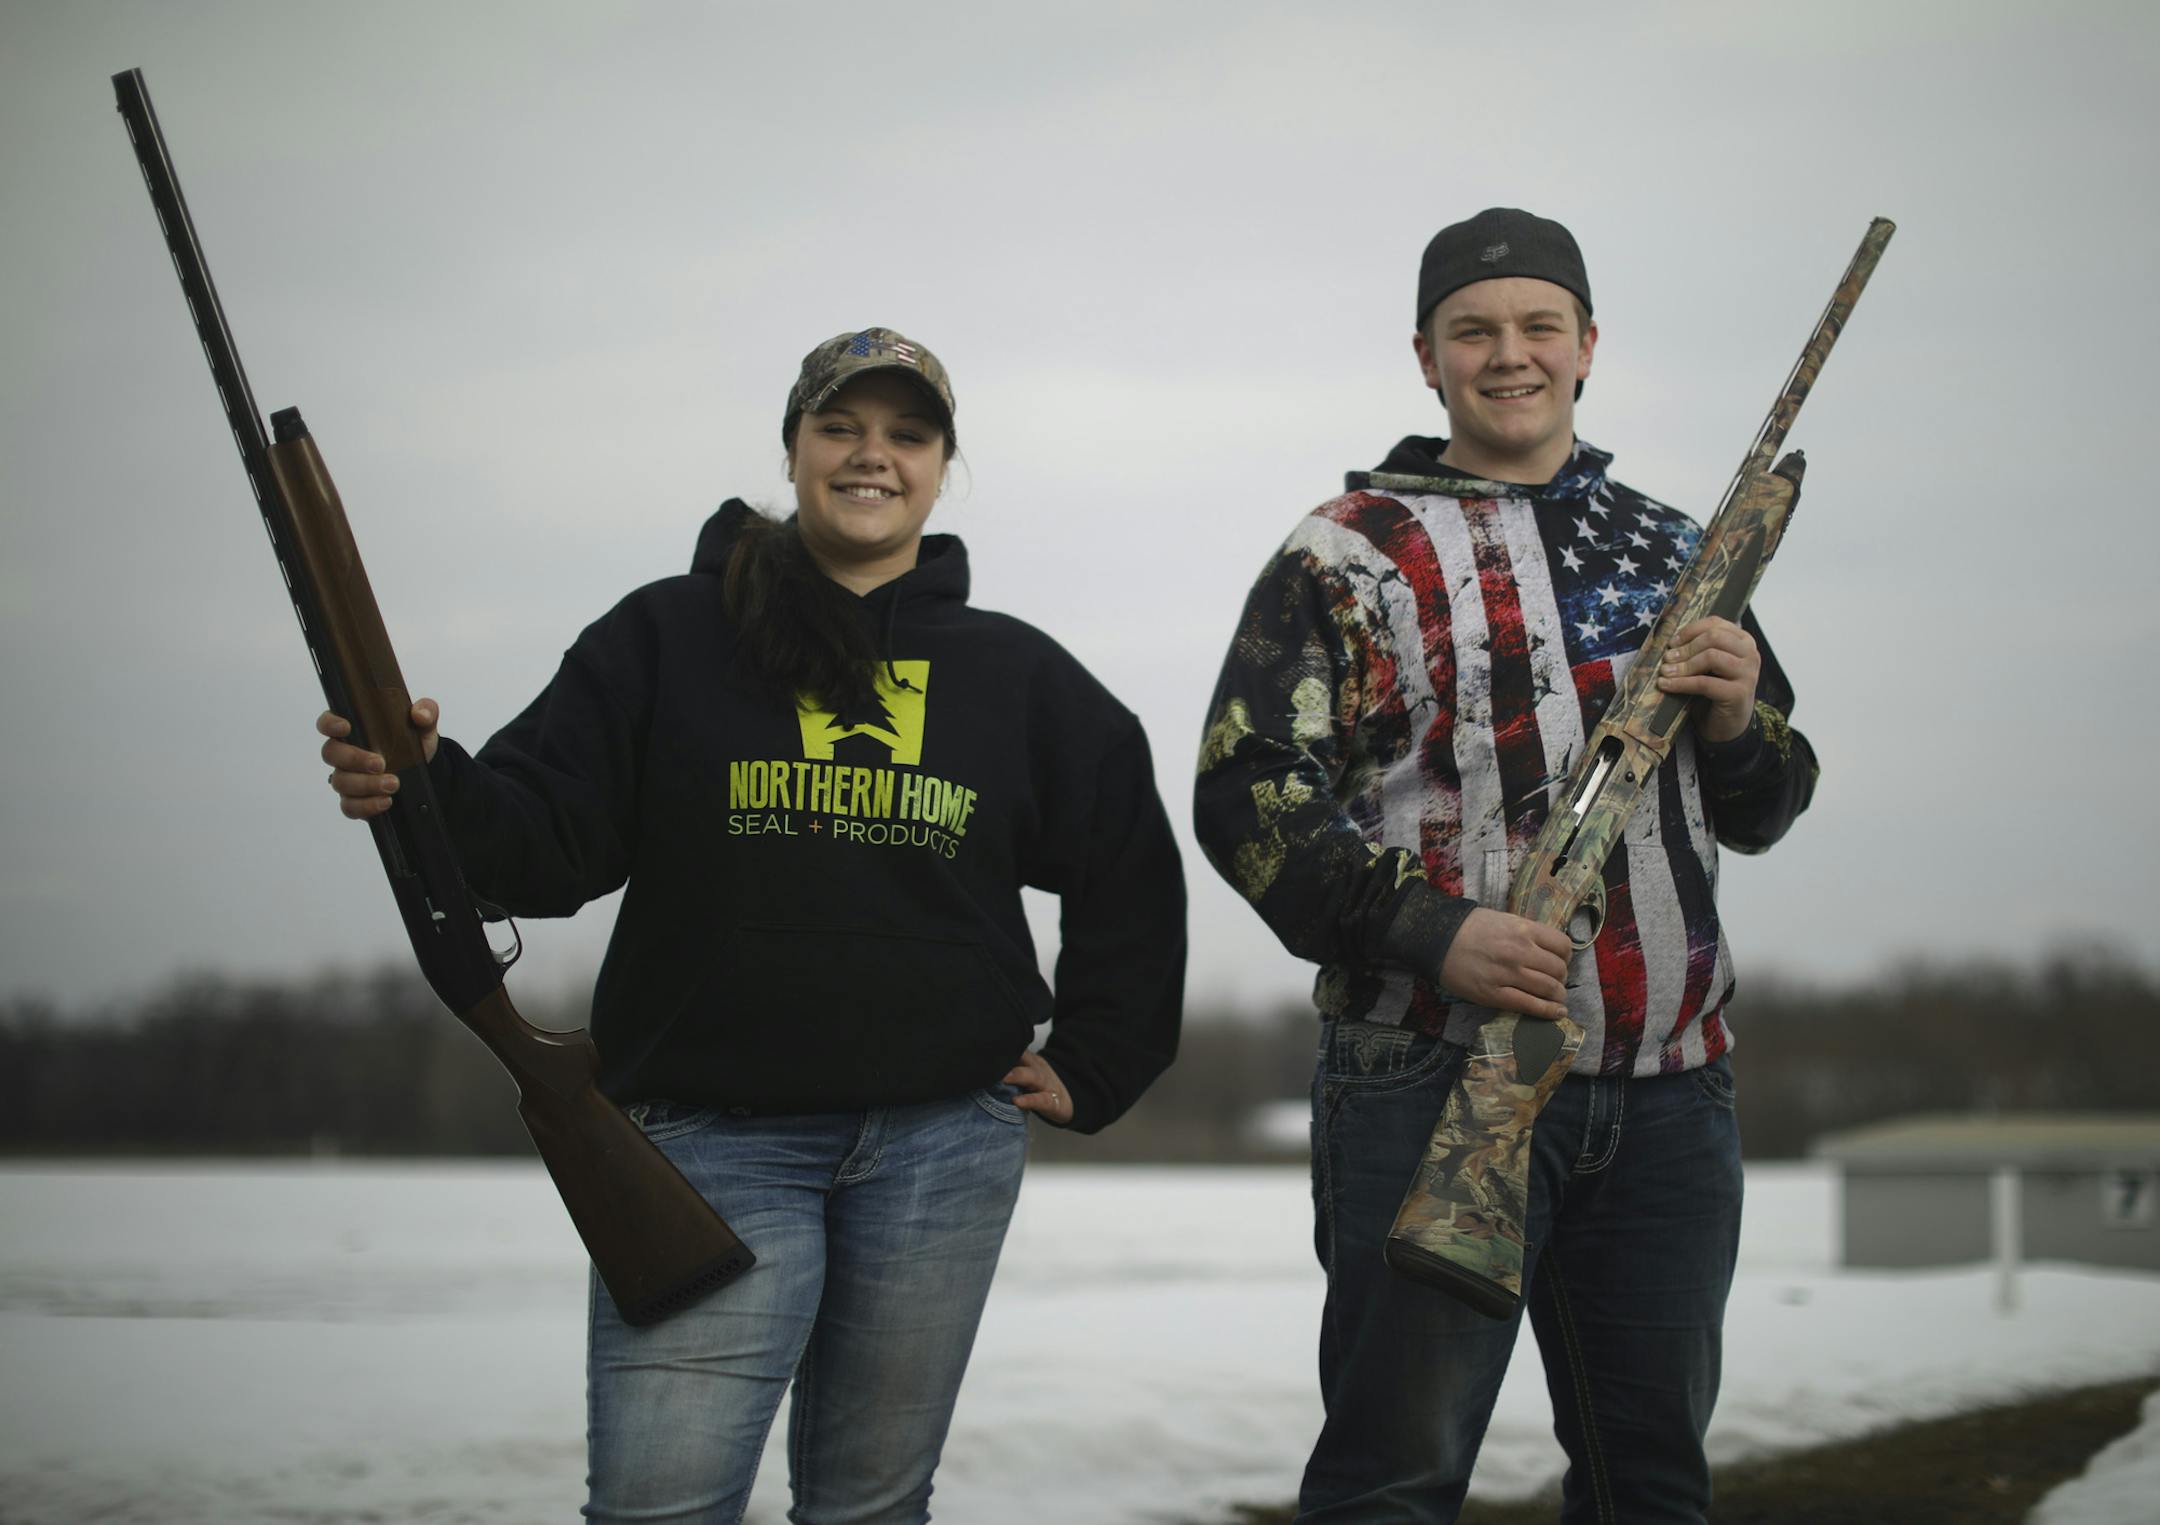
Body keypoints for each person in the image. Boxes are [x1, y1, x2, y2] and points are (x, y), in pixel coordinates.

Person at [318, 328, 1186, 1523]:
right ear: (791, 448)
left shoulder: (1018, 677)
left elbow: (1129, 869)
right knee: (659, 1506)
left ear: (942, 467)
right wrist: (426, 781)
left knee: (872, 1508)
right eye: (839, 427)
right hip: (708, 1143)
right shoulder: (666, 636)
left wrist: (1098, 1058)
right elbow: (541, 838)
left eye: (906, 435)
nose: (870, 455)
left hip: (940, 1150)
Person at [1192, 210, 1817, 1523]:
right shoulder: (1347, 550)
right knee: (1392, 1485)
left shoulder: (1676, 553)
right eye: (1475, 329)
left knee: (1653, 1484)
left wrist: (1735, 715)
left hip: (1669, 1099)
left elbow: (1767, 800)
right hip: (1423, 1073)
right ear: (1427, 357)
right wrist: (1436, 933)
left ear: (1587, 345)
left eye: (1540, 325)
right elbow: (1248, 796)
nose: (1510, 354)